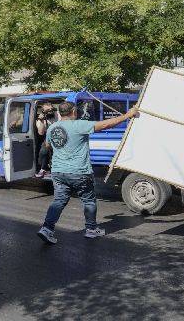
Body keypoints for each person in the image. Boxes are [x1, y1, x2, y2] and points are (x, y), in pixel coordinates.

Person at [37, 101, 139, 244]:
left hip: (58, 172)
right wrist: (128, 115)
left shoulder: (52, 127)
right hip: (79, 172)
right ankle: (91, 229)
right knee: (89, 200)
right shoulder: (79, 125)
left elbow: (47, 145)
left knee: (59, 201)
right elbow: (106, 124)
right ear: (73, 112)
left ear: (60, 113)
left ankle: (47, 228)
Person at [35, 103, 56, 178]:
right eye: (47, 110)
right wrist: (42, 120)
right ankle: (43, 168)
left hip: (58, 136)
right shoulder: (40, 119)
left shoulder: (57, 115)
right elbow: (41, 132)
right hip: (47, 137)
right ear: (43, 111)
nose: (50, 112)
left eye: (51, 109)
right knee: (44, 151)